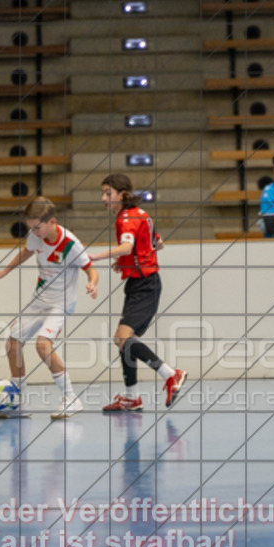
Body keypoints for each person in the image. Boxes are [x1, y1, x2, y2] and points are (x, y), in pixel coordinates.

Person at [0, 197, 99, 419]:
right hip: (39, 299)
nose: (34, 231)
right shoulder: (35, 235)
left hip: (61, 302)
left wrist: (92, 284)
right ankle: (20, 403)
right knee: (12, 344)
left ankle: (71, 399)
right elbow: (27, 251)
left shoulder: (70, 243)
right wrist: (5, 271)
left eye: (37, 227)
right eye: (31, 227)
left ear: (52, 222)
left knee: (42, 345)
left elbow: (90, 268)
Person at [87, 173, 187, 412]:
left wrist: (96, 256)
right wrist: (128, 261)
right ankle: (132, 397)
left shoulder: (125, 218)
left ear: (122, 195)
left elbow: (127, 246)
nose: (103, 198)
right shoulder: (140, 214)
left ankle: (170, 374)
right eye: (103, 193)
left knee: (122, 339)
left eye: (107, 193)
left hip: (144, 285)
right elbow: (157, 243)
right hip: (142, 283)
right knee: (124, 340)